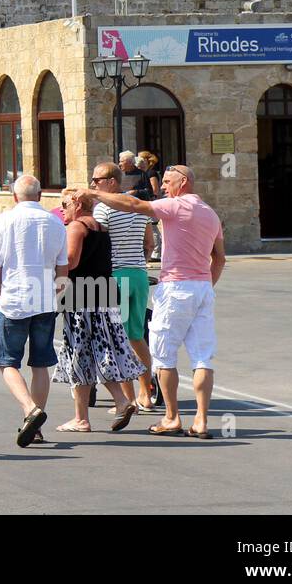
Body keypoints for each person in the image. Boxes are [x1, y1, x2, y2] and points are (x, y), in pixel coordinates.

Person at [84, 164, 226, 438]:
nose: (162, 187)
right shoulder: (210, 213)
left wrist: (93, 194)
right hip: (202, 288)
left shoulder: (176, 206)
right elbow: (219, 257)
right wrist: (207, 283)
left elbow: (133, 203)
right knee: (202, 358)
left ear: (183, 182)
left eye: (168, 182)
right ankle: (201, 420)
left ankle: (172, 417)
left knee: (164, 356)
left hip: (175, 288)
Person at [52, 188, 147, 432]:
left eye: (65, 204)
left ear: (78, 205)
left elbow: (71, 261)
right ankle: (118, 401)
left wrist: (50, 266)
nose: (62, 209)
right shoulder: (101, 228)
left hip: (81, 296)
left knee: (79, 354)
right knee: (99, 350)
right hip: (103, 294)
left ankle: (84, 417)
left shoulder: (76, 227)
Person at [0, 174, 67, 448]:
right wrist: (55, 293)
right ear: (40, 196)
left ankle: (30, 409)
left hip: (13, 300)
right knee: (40, 363)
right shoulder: (55, 222)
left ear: (15, 196)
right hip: (44, 300)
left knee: (7, 361)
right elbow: (63, 268)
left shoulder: (5, 220)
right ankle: (37, 428)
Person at [90, 162, 158, 410]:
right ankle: (146, 395)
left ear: (111, 182)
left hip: (117, 276)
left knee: (118, 338)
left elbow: (99, 244)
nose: (93, 183)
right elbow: (149, 244)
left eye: (97, 180)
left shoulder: (103, 209)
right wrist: (140, 260)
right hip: (138, 275)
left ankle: (129, 399)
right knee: (137, 336)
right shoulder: (138, 209)